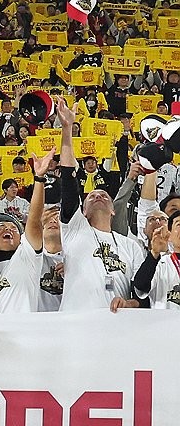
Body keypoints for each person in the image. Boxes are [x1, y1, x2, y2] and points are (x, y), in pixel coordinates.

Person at [56, 99, 144, 312]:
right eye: (91, 196)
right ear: (82, 211)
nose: (98, 195)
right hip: (74, 325)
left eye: (104, 194)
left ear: (113, 210)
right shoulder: (74, 229)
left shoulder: (130, 246)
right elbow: (68, 179)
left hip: (116, 327)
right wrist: (67, 129)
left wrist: (129, 303)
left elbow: (143, 295)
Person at [0, 153, 50, 314]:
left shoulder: (27, 258)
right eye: (0, 226)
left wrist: (40, 179)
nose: (8, 229)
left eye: (14, 228)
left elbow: (34, 221)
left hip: (22, 331)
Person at [130, 212, 180, 310]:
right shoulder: (159, 263)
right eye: (179, 224)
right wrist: (154, 253)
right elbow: (140, 286)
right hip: (165, 323)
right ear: (169, 236)